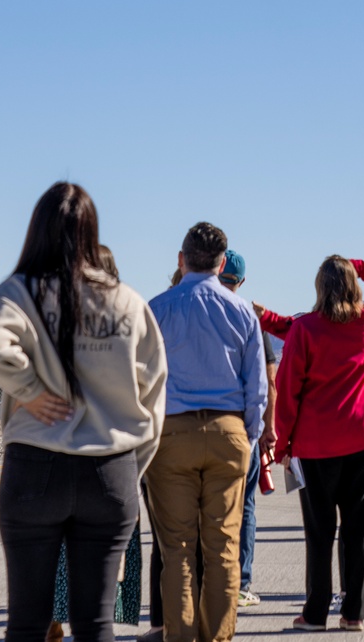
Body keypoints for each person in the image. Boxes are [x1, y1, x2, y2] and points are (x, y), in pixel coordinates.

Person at [0, 183, 167, 642]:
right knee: (95, 621)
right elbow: (154, 400)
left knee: (27, 621)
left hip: (35, 462)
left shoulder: (20, 291)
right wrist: (128, 472)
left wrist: (30, 390)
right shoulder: (127, 303)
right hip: (109, 468)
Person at [145, 223, 267, 642]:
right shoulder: (241, 311)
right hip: (228, 430)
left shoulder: (158, 308)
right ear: (221, 264)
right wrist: (247, 438)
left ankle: (178, 635)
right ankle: (217, 636)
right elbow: (257, 389)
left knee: (176, 550)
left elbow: (141, 381)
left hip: (172, 434)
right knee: (223, 549)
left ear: (181, 260)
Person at [271, 256, 364, 632]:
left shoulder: (305, 329)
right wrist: (359, 266)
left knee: (320, 530)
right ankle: (354, 613)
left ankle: (315, 613)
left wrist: (282, 445)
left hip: (316, 443)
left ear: (319, 288)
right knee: (359, 529)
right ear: (353, 286)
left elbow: (288, 389)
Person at [47, 246, 144, 642]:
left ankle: (54, 620)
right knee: (107, 553)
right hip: (111, 455)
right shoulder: (126, 326)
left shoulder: (55, 324)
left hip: (60, 449)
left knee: (57, 547)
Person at [216, 249, 278, 608]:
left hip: (200, 424)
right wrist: (266, 428)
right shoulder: (250, 319)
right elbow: (268, 381)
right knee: (247, 507)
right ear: (240, 282)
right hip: (244, 430)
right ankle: (241, 583)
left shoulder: (194, 311)